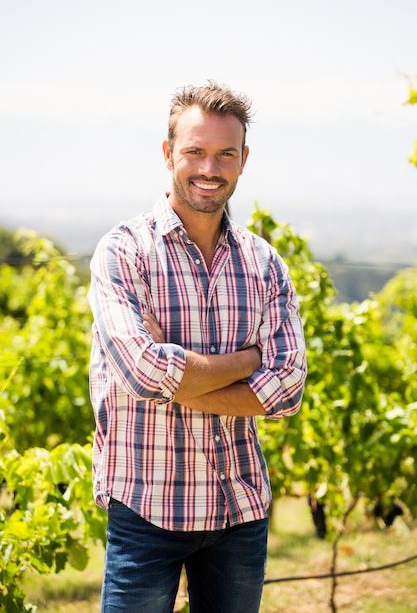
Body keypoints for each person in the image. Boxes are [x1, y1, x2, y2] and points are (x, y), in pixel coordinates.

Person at [88, 80, 307, 613]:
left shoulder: (264, 264)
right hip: (147, 508)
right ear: (168, 153)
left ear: (243, 160)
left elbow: (287, 390)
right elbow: (141, 373)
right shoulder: (124, 252)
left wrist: (175, 375)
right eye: (195, 151)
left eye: (224, 154)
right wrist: (248, 362)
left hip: (240, 511)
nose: (210, 167)